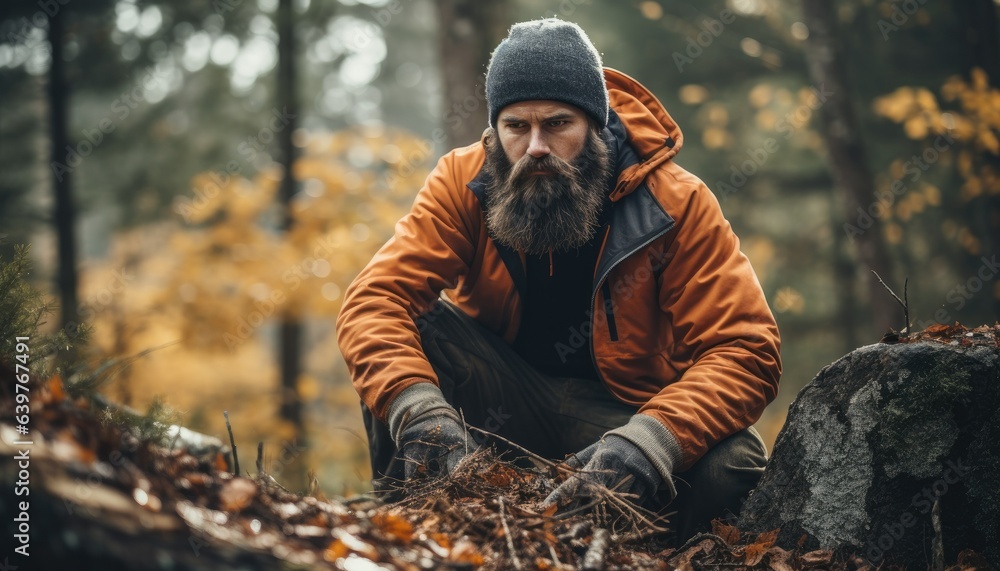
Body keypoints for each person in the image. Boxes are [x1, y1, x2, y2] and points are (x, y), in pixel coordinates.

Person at [336, 18, 781, 542]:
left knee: (731, 462)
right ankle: (414, 539)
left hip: (622, 417)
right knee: (405, 342)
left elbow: (745, 349)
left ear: (597, 124)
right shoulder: (463, 181)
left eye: (557, 123)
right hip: (498, 405)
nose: (536, 147)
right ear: (494, 133)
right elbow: (375, 300)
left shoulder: (677, 202)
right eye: (516, 127)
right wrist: (420, 414)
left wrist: (647, 443)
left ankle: (637, 547)